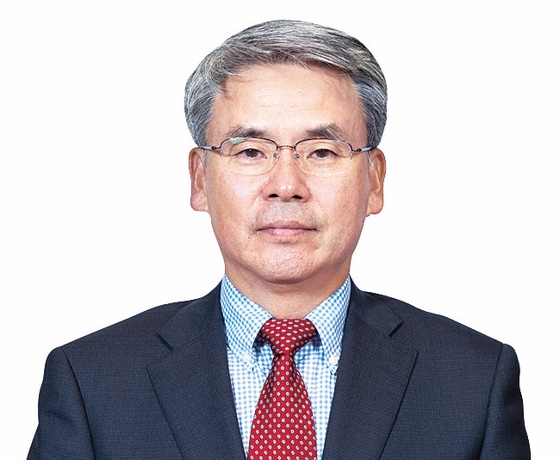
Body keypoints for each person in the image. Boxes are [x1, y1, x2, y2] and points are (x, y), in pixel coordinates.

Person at [28, 19, 530, 459]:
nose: (286, 184)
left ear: (374, 181)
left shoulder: (473, 381)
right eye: (250, 151)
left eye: (322, 151)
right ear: (200, 179)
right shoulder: (92, 382)